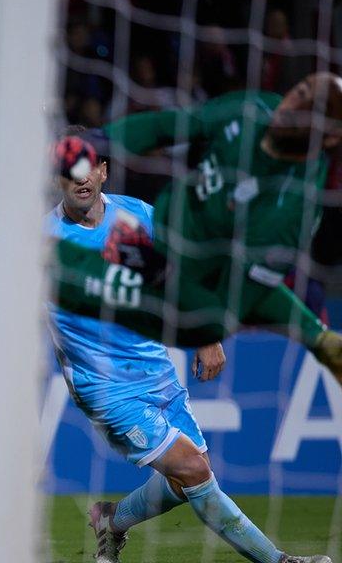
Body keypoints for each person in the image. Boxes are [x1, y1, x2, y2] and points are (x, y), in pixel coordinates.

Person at [48, 134, 331, 563]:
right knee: (194, 470)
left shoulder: (138, 216)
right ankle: (278, 561)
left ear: (103, 170)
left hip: (155, 368)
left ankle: (112, 519)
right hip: (103, 386)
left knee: (188, 479)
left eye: (90, 167)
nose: (81, 179)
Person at [50, 74, 342, 385]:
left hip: (187, 296)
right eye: (301, 88)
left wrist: (205, 332)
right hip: (169, 224)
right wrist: (96, 142)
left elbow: (237, 297)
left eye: (314, 107)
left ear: (330, 137)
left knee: (66, 271)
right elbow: (173, 125)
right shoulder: (254, 107)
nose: (296, 102)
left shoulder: (294, 209)